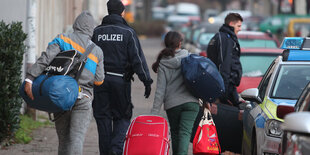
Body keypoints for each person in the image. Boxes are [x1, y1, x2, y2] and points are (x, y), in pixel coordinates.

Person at [23, 11, 105, 155]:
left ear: (76, 24)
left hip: (60, 94)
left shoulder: (62, 39)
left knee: (64, 140)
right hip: (82, 98)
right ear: (92, 29)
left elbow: (45, 59)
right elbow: (99, 81)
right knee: (77, 139)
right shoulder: (97, 51)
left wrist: (30, 78)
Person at [91, 0, 153, 154]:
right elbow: (137, 59)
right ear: (122, 12)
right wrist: (146, 80)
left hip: (100, 81)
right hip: (120, 81)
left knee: (103, 117)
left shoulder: (97, 32)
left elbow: (89, 57)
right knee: (122, 116)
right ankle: (116, 148)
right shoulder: (128, 32)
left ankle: (106, 152)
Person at [151, 31, 199, 155]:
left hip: (172, 104)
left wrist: (154, 113)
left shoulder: (163, 62)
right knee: (185, 133)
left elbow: (160, 90)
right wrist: (206, 101)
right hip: (191, 102)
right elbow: (199, 80)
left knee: (176, 133)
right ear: (179, 43)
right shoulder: (189, 57)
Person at [207, 12, 243, 107]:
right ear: (231, 24)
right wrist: (224, 90)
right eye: (238, 26)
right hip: (226, 87)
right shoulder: (225, 39)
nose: (240, 29)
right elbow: (224, 64)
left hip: (226, 85)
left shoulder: (223, 37)